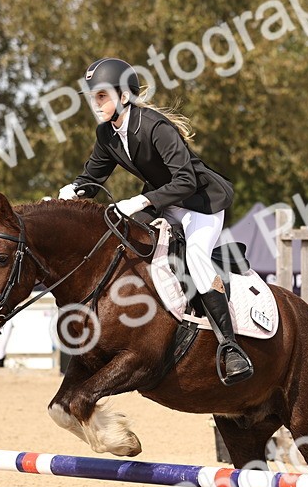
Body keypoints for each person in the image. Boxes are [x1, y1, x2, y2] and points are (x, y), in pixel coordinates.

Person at [58, 57, 253, 385]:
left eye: (102, 95)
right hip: (164, 203)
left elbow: (186, 181)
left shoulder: (155, 127)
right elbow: (92, 177)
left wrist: (143, 200)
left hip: (200, 203)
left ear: (124, 96)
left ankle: (230, 347)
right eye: (93, 97)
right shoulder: (106, 133)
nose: (96, 103)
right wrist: (73, 190)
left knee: (196, 257)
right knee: (127, 241)